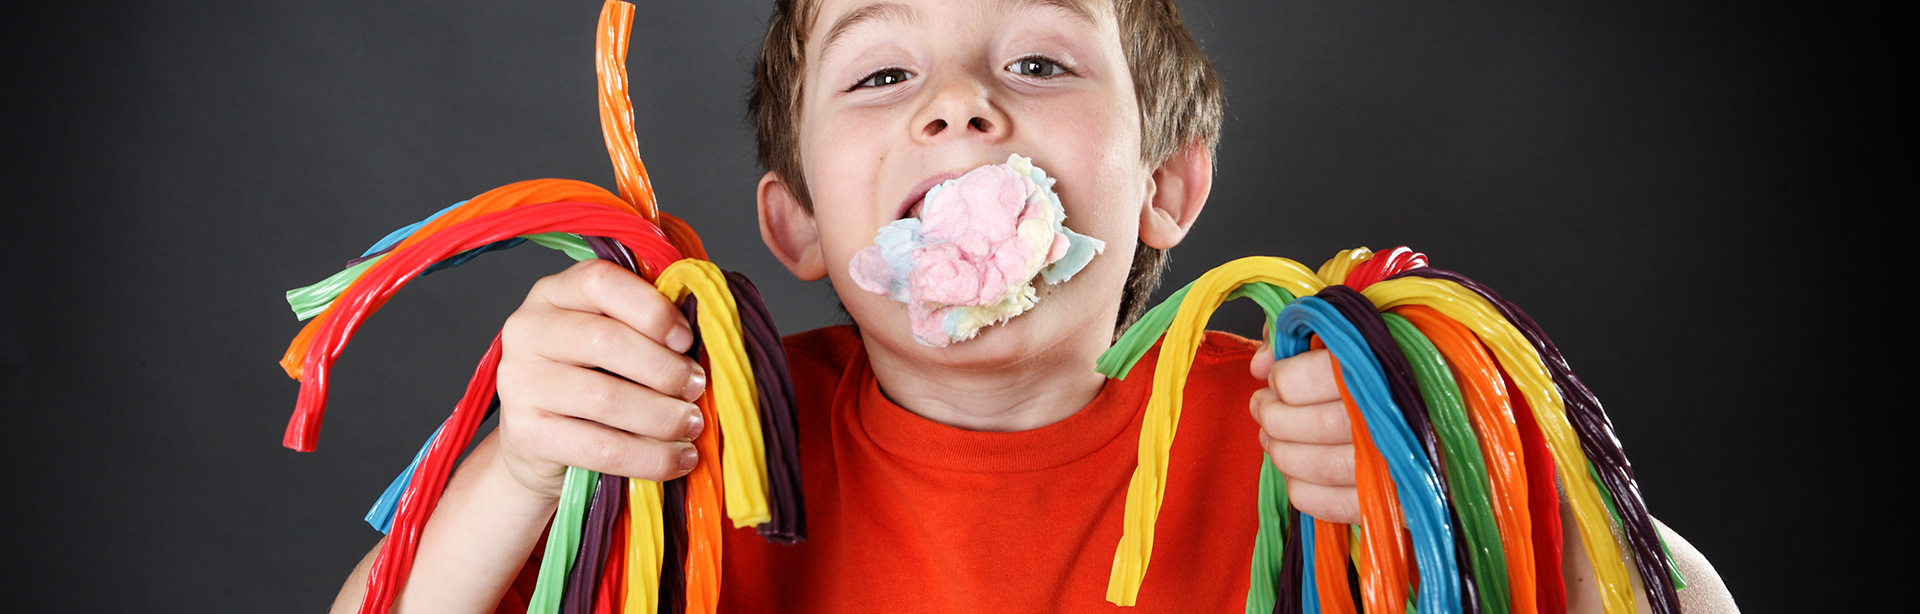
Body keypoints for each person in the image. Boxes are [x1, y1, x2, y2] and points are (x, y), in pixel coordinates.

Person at [331, 0, 1737, 612]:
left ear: (1169, 186)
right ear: (799, 225)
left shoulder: (1311, 446)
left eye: (1042, 62)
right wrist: (520, 469)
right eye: (883, 76)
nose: (962, 102)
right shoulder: (690, 446)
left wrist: (1486, 478)